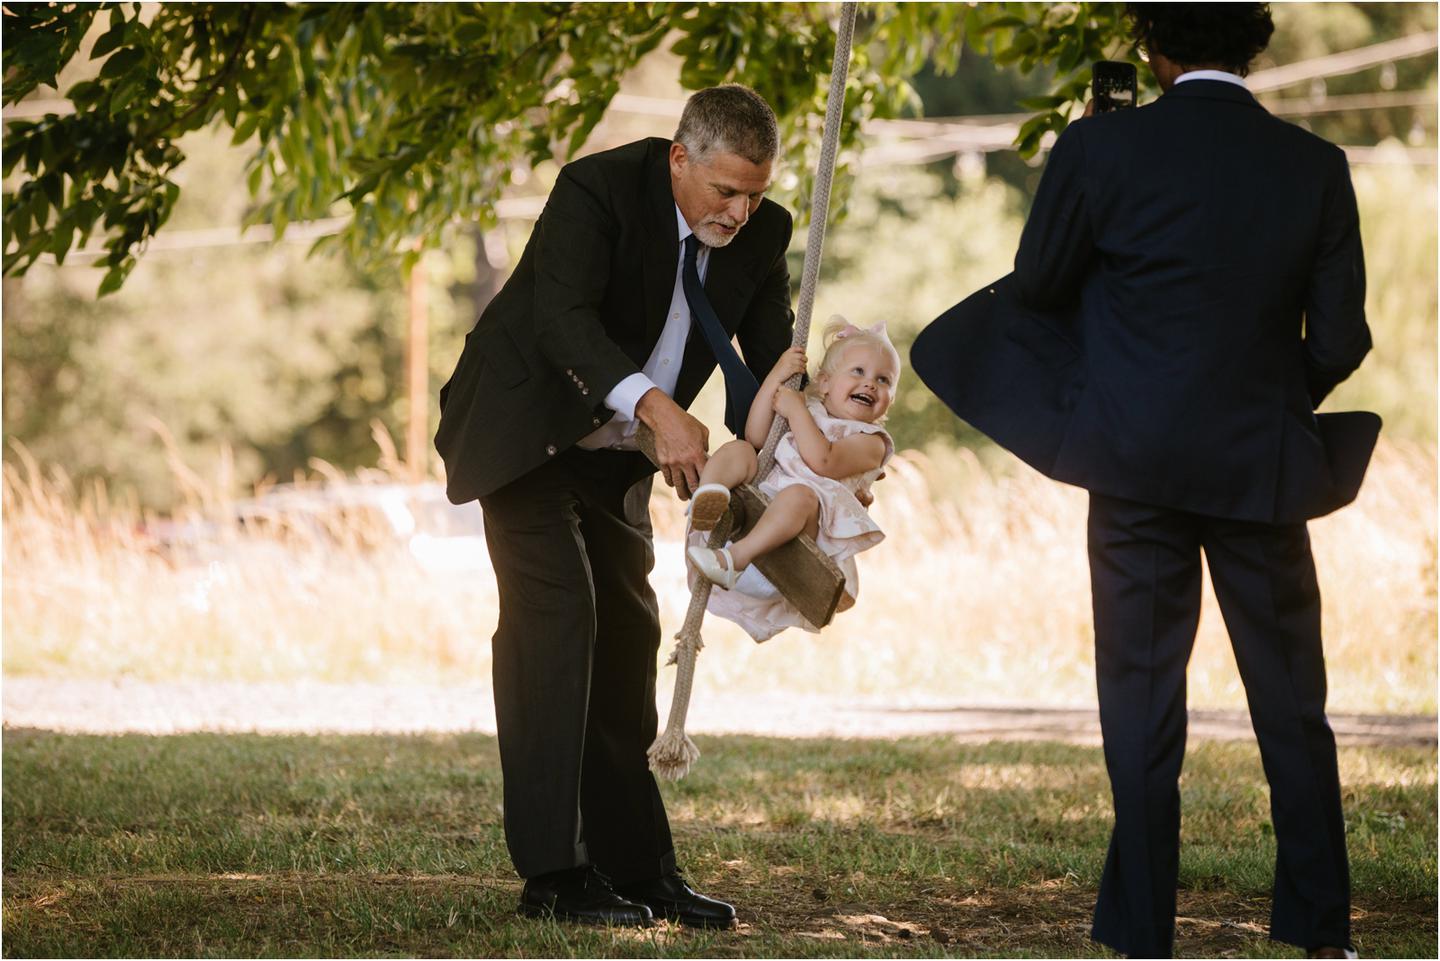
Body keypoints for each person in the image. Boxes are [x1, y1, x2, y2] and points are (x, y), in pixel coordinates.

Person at [911, 5, 1374, 958]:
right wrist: (1264, 403)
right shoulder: (1316, 167)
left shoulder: (1102, 151)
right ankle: (1324, 931)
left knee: (1141, 705)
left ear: (1155, 50)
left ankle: (1138, 935)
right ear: (1253, 43)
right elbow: (1339, 340)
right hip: (1263, 469)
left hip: (1133, 468)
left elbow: (1038, 285)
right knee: (1291, 704)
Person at [434, 84, 796, 928]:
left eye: (755, 192)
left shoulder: (765, 233)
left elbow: (774, 361)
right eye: (725, 191)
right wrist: (658, 408)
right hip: (524, 434)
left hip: (613, 464)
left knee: (630, 633)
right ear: (680, 158)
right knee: (560, 624)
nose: (740, 212)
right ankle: (555, 878)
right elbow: (561, 321)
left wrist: (830, 438)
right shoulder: (595, 189)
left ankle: (639, 868)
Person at [686, 318, 898, 641]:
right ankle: (708, 498)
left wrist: (796, 411)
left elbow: (824, 460)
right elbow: (758, 434)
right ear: (825, 382)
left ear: (889, 401)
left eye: (883, 380)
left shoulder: (872, 441)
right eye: (858, 372)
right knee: (741, 449)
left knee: (801, 495)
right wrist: (778, 377)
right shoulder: (808, 407)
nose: (871, 384)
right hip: (746, 520)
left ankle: (733, 560)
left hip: (785, 552)